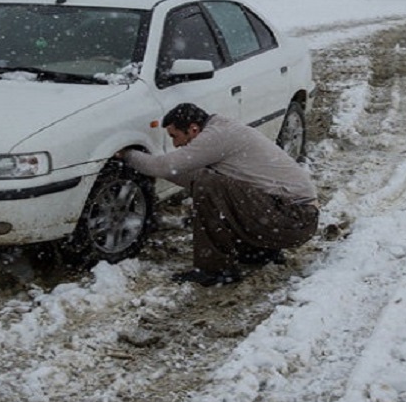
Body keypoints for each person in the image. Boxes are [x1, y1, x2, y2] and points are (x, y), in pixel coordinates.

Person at [118, 103, 319, 286]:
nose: (176, 144)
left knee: (209, 185)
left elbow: (166, 167)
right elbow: (186, 176)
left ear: (193, 129)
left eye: (175, 136)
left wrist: (127, 155)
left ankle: (216, 270)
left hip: (294, 219)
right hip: (289, 217)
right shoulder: (223, 129)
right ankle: (259, 252)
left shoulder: (217, 136)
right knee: (214, 183)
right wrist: (148, 169)